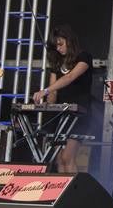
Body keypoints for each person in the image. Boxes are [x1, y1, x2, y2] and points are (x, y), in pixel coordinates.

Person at [32, 24, 94, 173]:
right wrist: (46, 104)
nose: (59, 49)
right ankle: (62, 192)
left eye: (61, 44)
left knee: (68, 156)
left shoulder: (84, 57)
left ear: (69, 40)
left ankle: (74, 192)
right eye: (56, 46)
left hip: (79, 113)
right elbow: (53, 90)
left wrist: (45, 90)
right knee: (59, 158)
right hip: (61, 114)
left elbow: (70, 77)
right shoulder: (57, 62)